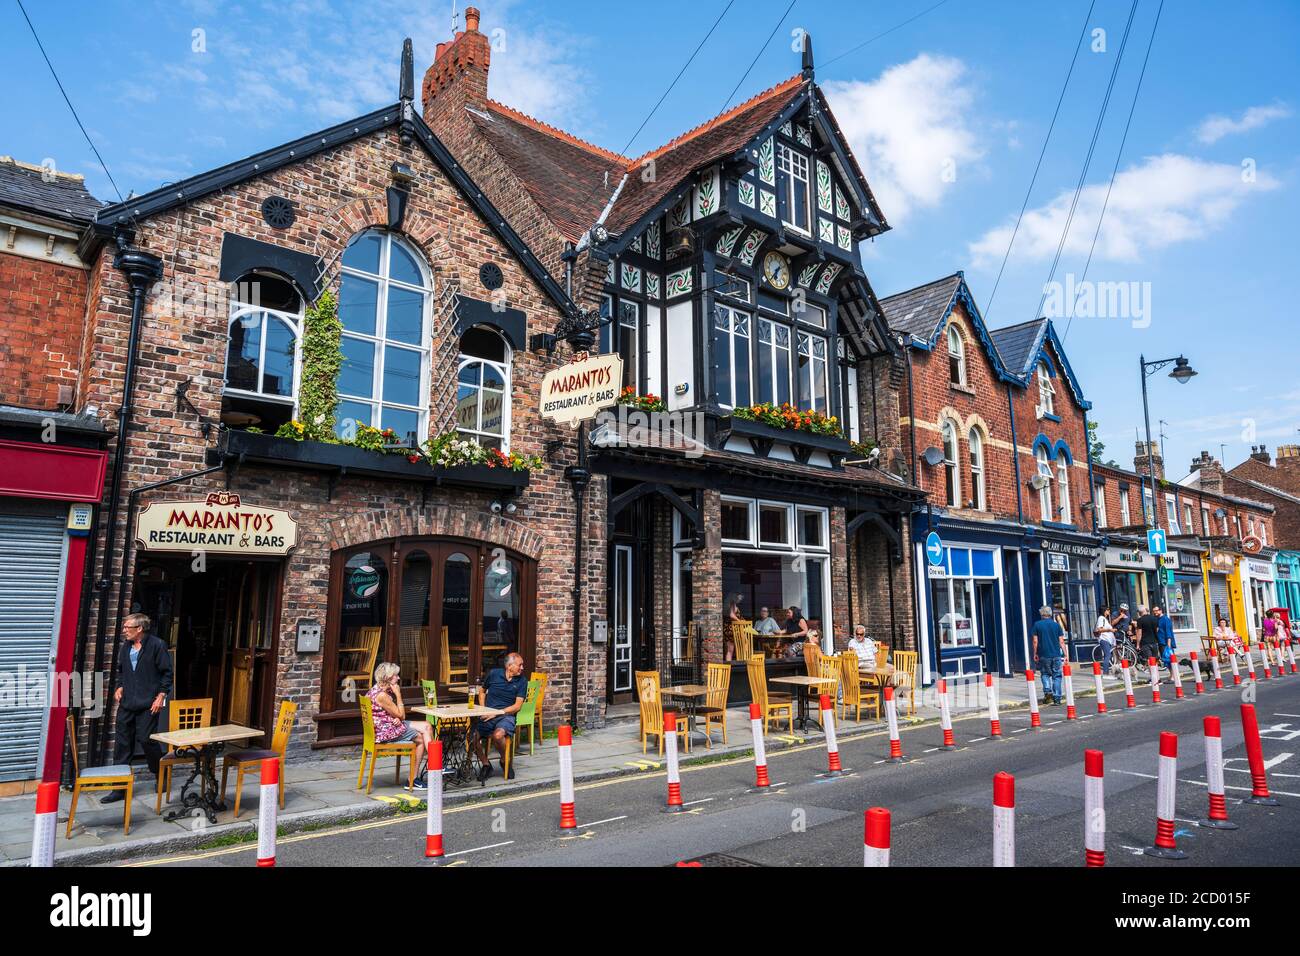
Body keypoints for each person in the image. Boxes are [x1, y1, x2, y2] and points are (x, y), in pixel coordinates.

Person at [102, 613, 173, 804]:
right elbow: (121, 670)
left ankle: (161, 774)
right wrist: (119, 686)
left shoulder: (157, 645)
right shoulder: (126, 647)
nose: (124, 630)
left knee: (146, 740)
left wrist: (161, 696)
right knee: (122, 743)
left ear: (139, 629)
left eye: (127, 627)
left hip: (148, 703)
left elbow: (167, 673)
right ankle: (119, 788)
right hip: (127, 703)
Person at [367, 662, 435, 791]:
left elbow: (391, 714)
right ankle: (420, 774)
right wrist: (398, 694)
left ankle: (432, 765)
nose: (398, 678)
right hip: (386, 732)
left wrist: (396, 718)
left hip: (387, 726)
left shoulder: (376, 690)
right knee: (421, 738)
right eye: (396, 676)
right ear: (387, 677)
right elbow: (402, 715)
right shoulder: (382, 696)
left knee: (427, 725)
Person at [471, 652, 528, 781]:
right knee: (473, 738)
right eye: (520, 665)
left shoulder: (522, 681)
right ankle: (486, 764)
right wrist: (483, 709)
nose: (522, 668)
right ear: (509, 666)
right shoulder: (494, 674)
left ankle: (504, 760)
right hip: (488, 714)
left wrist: (497, 713)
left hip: (506, 716)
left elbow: (517, 706)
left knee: (498, 735)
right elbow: (482, 691)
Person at [1031, 606, 1066, 705]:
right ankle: (1057, 698)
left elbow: (1035, 641)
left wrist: (1035, 653)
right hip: (1056, 654)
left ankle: (1048, 691)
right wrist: (1066, 654)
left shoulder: (1037, 625)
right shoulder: (1056, 625)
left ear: (1042, 614)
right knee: (1057, 676)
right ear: (1050, 614)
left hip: (1043, 655)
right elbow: (1061, 641)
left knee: (1045, 674)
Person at [1134, 604, 1160, 676]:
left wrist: (1138, 644)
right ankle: (1157, 677)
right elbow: (1157, 630)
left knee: (1149, 661)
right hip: (1154, 642)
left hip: (1145, 643)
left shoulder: (1140, 620)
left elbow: (1139, 633)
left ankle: (1153, 678)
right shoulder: (1154, 618)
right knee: (1155, 661)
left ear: (1139, 612)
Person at [1094, 604, 1116, 674]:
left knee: (1108, 656)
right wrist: (1110, 630)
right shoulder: (1101, 618)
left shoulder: (1104, 619)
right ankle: (1105, 673)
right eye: (1108, 610)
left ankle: (1107, 672)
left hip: (1107, 640)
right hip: (1104, 639)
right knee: (1107, 655)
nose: (1109, 611)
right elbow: (1099, 629)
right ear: (1104, 611)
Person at [725, 594, 745, 662]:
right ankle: (729, 667)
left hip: (730, 629)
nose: (740, 599)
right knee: (731, 650)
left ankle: (729, 667)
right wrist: (740, 621)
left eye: (741, 598)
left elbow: (738, 616)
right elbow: (732, 615)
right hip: (731, 629)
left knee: (730, 650)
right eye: (739, 597)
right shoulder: (732, 604)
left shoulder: (733, 605)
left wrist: (743, 621)